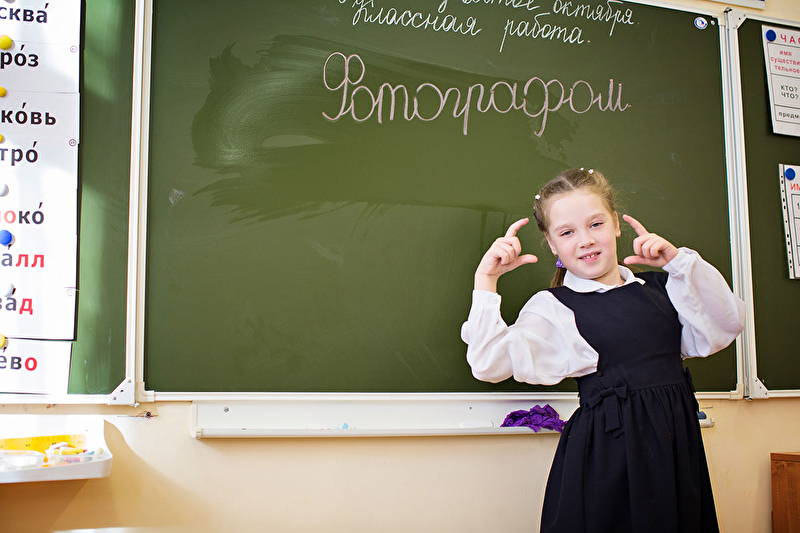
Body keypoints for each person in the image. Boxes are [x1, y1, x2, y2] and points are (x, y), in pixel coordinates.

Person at [461, 168, 745, 533]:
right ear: (551, 243)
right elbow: (488, 363)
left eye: (595, 224)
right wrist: (486, 280)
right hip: (608, 462)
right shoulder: (554, 308)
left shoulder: (664, 289)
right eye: (567, 232)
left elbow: (727, 323)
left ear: (615, 223)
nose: (585, 241)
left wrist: (679, 264)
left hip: (676, 452)